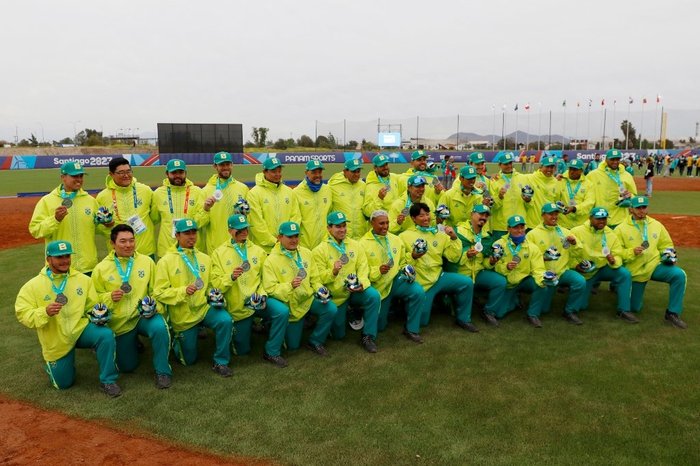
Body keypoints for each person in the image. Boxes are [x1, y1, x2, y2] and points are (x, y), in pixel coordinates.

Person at [15, 240, 121, 397]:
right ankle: (56, 366)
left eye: (67, 256)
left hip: (80, 329)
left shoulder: (83, 280)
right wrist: (44, 312)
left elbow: (92, 305)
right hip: (56, 339)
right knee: (64, 384)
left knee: (105, 335)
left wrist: (99, 314)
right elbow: (22, 313)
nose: (65, 261)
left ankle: (108, 381)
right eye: (59, 257)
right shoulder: (32, 286)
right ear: (48, 258)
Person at [91, 225, 172, 388]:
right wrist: (109, 297)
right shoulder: (101, 268)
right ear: (112, 244)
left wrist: (154, 306)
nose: (128, 245)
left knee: (160, 327)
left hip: (143, 316)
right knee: (128, 367)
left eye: (131, 240)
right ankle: (133, 341)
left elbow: (156, 290)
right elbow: (94, 299)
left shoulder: (147, 262)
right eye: (123, 241)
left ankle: (162, 371)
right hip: (120, 322)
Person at [153, 219, 234, 377]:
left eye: (194, 232)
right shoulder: (165, 261)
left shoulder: (205, 258)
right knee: (188, 360)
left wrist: (214, 294)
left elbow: (210, 285)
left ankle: (221, 362)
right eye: (187, 233)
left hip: (203, 308)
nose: (192, 236)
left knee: (225, 320)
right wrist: (183, 291)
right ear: (177, 235)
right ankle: (177, 339)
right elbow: (159, 292)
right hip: (183, 316)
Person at [210, 214, 290, 367]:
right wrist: (231, 277)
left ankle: (272, 351)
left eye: (245, 228)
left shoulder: (258, 251)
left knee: (282, 311)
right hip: (237, 306)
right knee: (242, 350)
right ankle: (241, 330)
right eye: (239, 230)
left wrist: (261, 295)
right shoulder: (219, 253)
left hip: (257, 300)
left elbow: (264, 278)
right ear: (230, 231)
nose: (244, 232)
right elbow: (217, 285)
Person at [399, 202, 478, 332]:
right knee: (423, 321)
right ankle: (409, 306)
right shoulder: (404, 236)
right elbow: (402, 263)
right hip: (421, 280)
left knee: (467, 283)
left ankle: (464, 319)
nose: (426, 218)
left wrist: (454, 238)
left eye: (427, 214)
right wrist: (413, 256)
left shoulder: (440, 233)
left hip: (439, 276)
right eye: (421, 216)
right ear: (413, 218)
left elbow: (453, 257)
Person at [262, 221, 338, 356]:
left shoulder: (307, 253)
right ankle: (272, 325)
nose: (294, 240)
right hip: (289, 303)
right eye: (290, 237)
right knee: (293, 346)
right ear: (280, 238)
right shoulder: (271, 260)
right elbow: (270, 289)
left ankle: (315, 341)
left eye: (296, 236)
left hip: (307, 300)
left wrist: (320, 290)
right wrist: (289, 286)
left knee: (331, 308)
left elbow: (315, 279)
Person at [312, 211, 381, 352]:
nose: (342, 229)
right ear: (328, 228)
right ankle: (347, 312)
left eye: (344, 226)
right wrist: (333, 272)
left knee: (373, 296)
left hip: (355, 291)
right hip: (336, 296)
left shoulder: (355, 245)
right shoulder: (319, 250)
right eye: (338, 227)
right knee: (339, 335)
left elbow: (363, 267)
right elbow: (319, 278)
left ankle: (368, 336)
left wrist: (362, 284)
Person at [614, 196, 687, 328]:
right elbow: (616, 252)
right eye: (638, 208)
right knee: (634, 308)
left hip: (655, 266)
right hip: (635, 270)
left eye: (644, 207)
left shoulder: (656, 225)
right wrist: (631, 252)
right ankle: (622, 291)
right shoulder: (620, 229)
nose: (642, 210)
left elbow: (666, 244)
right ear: (631, 209)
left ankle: (672, 313)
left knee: (679, 275)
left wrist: (669, 255)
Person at [29, 162, 112, 274]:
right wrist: (55, 219)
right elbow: (35, 230)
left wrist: (108, 224)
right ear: (63, 177)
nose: (79, 179)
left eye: (81, 176)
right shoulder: (47, 201)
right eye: (74, 176)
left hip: (88, 267)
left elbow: (98, 229)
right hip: (59, 267)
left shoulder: (90, 201)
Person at [360, 210, 426, 342]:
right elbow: (363, 272)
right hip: (378, 286)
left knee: (418, 291)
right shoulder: (362, 243)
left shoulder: (396, 239)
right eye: (381, 223)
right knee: (381, 326)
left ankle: (411, 329)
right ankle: (365, 318)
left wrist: (409, 263)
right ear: (372, 223)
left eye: (387, 223)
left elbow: (402, 262)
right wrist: (378, 270)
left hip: (396, 281)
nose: (385, 226)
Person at [570, 207, 634, 322]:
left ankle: (624, 310)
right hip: (585, 272)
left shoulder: (610, 233)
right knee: (582, 306)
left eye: (604, 219)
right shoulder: (577, 231)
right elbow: (568, 253)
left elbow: (618, 253)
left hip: (602, 268)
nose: (602, 221)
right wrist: (576, 265)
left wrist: (614, 260)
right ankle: (572, 308)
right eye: (598, 218)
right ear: (590, 218)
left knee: (624, 274)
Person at [526, 203, 587, 324]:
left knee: (580, 281)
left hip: (562, 271)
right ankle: (532, 314)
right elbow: (527, 257)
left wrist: (574, 243)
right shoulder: (532, 234)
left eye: (556, 214)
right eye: (550, 214)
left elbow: (579, 252)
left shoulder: (565, 232)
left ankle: (570, 311)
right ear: (543, 215)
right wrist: (542, 258)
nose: (554, 216)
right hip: (543, 273)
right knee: (545, 309)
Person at [450, 204, 506, 326]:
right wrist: (467, 255)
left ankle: (489, 312)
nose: (484, 217)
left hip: (478, 272)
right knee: (466, 284)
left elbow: (484, 262)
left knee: (500, 281)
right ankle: (463, 319)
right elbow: (451, 257)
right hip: (461, 272)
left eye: (486, 215)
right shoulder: (459, 231)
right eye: (481, 214)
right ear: (472, 214)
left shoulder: (486, 236)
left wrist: (491, 262)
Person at [488, 215, 548, 327]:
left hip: (523, 281)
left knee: (542, 286)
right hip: (506, 283)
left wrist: (543, 279)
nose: (520, 230)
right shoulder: (498, 244)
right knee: (500, 313)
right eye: (515, 228)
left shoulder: (532, 247)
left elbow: (538, 269)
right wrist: (506, 267)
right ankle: (514, 300)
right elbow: (494, 267)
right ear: (508, 229)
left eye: (522, 227)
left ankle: (532, 314)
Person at [95, 157, 156, 258]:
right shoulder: (102, 197)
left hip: (145, 252)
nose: (126, 175)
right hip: (119, 254)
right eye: (121, 172)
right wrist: (107, 226)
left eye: (129, 171)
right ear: (111, 174)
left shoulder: (145, 190)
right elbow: (97, 226)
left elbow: (155, 216)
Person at [151, 159, 208, 258]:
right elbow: (154, 218)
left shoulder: (197, 192)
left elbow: (202, 220)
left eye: (181, 172)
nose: (177, 175)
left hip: (192, 247)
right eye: (174, 172)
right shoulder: (158, 193)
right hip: (166, 248)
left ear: (185, 173)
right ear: (167, 173)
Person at [247, 157, 300, 253]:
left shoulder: (289, 191)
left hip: (287, 248)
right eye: (274, 171)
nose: (278, 174)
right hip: (264, 250)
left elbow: (295, 216)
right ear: (265, 172)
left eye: (279, 171)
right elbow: (256, 223)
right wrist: (274, 241)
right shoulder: (254, 193)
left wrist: (288, 237)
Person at [201, 151, 250, 254]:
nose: (225, 167)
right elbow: (200, 223)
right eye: (221, 165)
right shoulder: (206, 191)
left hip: (239, 243)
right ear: (215, 166)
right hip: (217, 246)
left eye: (227, 164)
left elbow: (249, 217)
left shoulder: (243, 188)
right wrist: (206, 209)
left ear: (232, 165)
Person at [586, 149, 637, 228]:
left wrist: (630, 196)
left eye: (617, 159)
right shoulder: (593, 175)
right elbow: (581, 184)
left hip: (620, 220)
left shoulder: (627, 175)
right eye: (612, 159)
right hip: (599, 219)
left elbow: (634, 196)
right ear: (606, 159)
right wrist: (563, 178)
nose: (615, 162)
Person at [294, 160, 333, 249]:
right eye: (314, 172)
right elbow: (295, 219)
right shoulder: (296, 192)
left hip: (325, 244)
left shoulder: (327, 190)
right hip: (306, 245)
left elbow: (329, 213)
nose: (317, 175)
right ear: (306, 173)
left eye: (320, 172)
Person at [522, 155, 566, 228]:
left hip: (548, 224)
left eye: (551, 167)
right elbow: (514, 177)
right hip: (532, 224)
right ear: (541, 167)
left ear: (555, 169)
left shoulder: (557, 183)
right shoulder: (530, 178)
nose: (549, 169)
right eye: (547, 167)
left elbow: (556, 202)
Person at [329, 158, 368, 240]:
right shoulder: (333, 185)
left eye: (358, 171)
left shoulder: (363, 186)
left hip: (361, 236)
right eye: (353, 171)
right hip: (341, 235)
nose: (357, 174)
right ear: (345, 171)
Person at [558, 159, 595, 229]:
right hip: (563, 224)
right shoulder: (560, 180)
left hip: (581, 225)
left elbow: (589, 202)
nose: (572, 172)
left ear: (581, 171)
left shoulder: (589, 184)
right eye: (571, 169)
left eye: (575, 169)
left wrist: (574, 208)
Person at [363, 154, 402, 218]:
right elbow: (367, 212)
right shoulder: (370, 186)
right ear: (375, 168)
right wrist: (379, 198)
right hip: (384, 224)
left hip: (397, 222)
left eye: (386, 164)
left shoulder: (394, 177)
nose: (385, 167)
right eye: (382, 166)